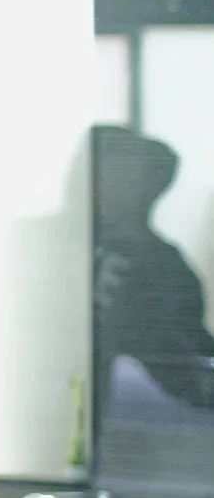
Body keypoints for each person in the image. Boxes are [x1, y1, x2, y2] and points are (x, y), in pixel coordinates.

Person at [92, 124, 214, 411]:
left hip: (129, 414)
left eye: (125, 172)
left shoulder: (166, 267)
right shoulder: (43, 243)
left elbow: (186, 348)